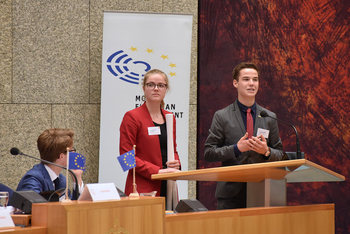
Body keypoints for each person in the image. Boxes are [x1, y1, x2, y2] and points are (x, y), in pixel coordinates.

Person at [204, 62, 285, 210]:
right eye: (246, 79)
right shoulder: (222, 116)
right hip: (230, 194)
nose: (251, 84)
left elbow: (280, 154)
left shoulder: (269, 117)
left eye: (255, 79)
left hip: (262, 190)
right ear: (235, 83)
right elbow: (209, 153)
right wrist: (236, 149)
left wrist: (266, 152)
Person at [119, 69, 181, 198]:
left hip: (168, 184)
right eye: (151, 85)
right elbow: (127, 159)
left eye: (161, 85)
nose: (156, 89)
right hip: (143, 188)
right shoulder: (132, 117)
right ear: (144, 88)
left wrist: (176, 163)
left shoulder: (170, 117)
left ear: (166, 89)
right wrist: (158, 171)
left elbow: (172, 149)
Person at [16, 128, 84, 200]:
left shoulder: (61, 179)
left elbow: (71, 208)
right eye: (71, 150)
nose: (74, 153)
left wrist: (77, 178)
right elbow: (34, 207)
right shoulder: (33, 179)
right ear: (61, 156)